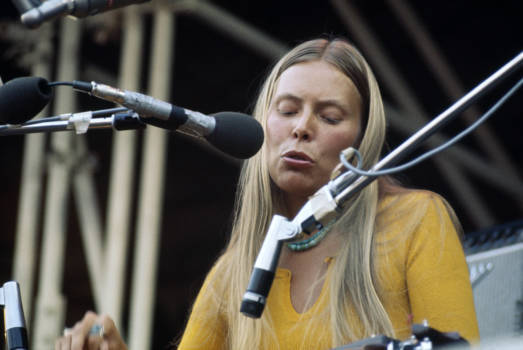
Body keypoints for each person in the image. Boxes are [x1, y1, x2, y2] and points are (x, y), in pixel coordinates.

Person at [55, 37, 479, 350]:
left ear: (363, 140)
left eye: (329, 116)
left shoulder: (416, 222)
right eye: (288, 110)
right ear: (263, 125)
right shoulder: (234, 271)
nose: (301, 127)